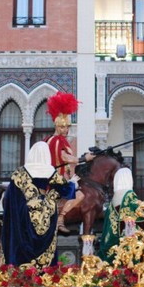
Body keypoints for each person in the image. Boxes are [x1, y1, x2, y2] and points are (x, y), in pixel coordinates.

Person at [1, 141, 77, 267]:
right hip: (46, 214)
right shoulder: (50, 171)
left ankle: (19, 269)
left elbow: (10, 197)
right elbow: (66, 190)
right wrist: (73, 183)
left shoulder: (19, 173)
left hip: (23, 214)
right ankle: (44, 271)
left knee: (20, 238)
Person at [45, 91, 94, 233]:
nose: (66, 130)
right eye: (63, 127)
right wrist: (84, 159)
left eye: (67, 127)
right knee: (80, 195)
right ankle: (60, 218)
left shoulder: (50, 139)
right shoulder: (57, 140)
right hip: (56, 179)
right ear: (57, 127)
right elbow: (65, 158)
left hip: (57, 177)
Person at [98, 167, 142, 261]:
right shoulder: (129, 195)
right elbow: (139, 214)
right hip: (127, 243)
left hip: (111, 242)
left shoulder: (115, 198)